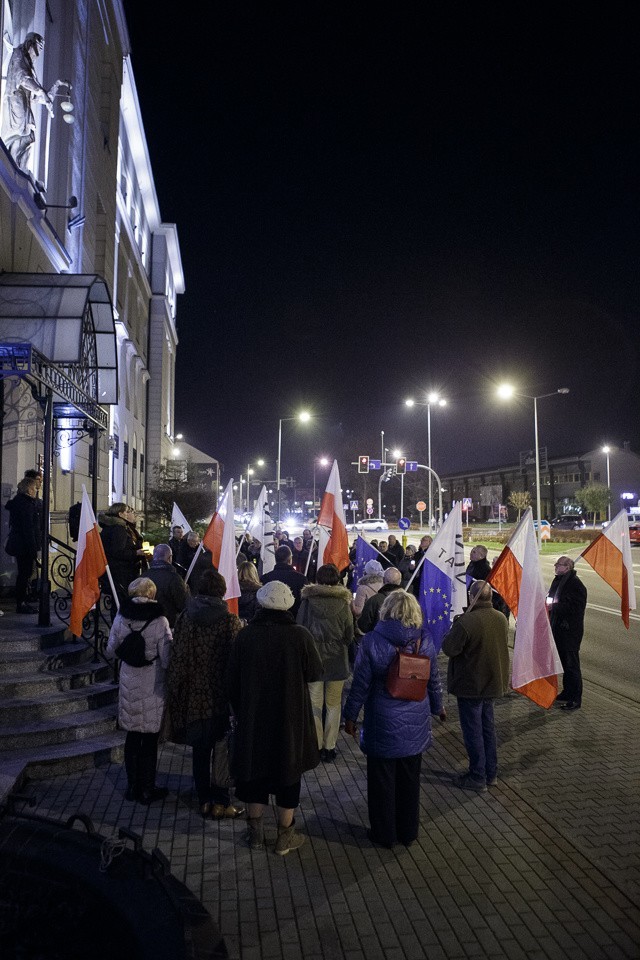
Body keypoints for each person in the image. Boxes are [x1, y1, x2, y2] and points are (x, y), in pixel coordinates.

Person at [227, 581, 323, 855]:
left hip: (253, 717)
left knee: (254, 773)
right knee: (288, 773)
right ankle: (284, 837)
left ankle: (255, 833)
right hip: (290, 718)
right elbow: (315, 672)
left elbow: (231, 681)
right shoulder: (300, 636)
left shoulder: (246, 636)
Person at [343, 590, 445, 848]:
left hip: (382, 721)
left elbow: (360, 685)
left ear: (386, 611)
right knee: (410, 782)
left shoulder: (372, 641)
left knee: (381, 783)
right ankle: (408, 832)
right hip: (415, 721)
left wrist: (351, 716)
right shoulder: (426, 639)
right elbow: (433, 680)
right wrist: (437, 706)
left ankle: (384, 834)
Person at [165, 569, 245, 818]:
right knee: (221, 749)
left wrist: (175, 689)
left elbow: (177, 658)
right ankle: (221, 801)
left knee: (199, 751)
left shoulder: (185, 618)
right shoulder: (229, 621)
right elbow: (234, 661)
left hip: (193, 696)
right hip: (219, 696)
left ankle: (203, 799)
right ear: (221, 591)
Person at [106, 577, 172, 803]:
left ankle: (132, 787)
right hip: (152, 681)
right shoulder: (160, 620)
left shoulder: (121, 616)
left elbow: (111, 649)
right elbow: (166, 658)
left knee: (132, 736)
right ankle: (147, 788)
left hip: (128, 679)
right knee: (150, 740)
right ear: (152, 594)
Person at [442, 580, 510, 791]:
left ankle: (477, 775)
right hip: (491, 682)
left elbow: (450, 649)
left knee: (473, 732)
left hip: (471, 684)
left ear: (472, 597)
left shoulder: (466, 622)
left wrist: (455, 626)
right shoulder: (500, 618)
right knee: (487, 729)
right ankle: (491, 773)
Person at [297, 564, 354, 761]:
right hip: (337, 659)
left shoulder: (307, 601)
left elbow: (300, 629)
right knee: (333, 704)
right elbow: (349, 634)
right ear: (337, 580)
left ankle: (316, 744)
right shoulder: (344, 603)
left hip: (313, 659)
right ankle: (329, 747)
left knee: (314, 704)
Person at [1, 33, 59, 171]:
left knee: (29, 136)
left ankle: (18, 166)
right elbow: (23, 78)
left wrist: (53, 89)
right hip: (15, 100)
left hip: (24, 102)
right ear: (30, 43)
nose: (40, 49)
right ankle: (10, 164)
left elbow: (34, 95)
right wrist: (41, 92)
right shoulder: (18, 54)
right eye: (38, 45)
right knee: (19, 133)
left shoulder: (30, 64)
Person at [546, 556, 587, 711]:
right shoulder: (559, 581)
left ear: (568, 567)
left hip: (570, 632)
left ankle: (575, 699)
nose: (556, 566)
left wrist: (553, 607)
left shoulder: (575, 585)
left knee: (571, 666)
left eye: (560, 564)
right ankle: (567, 692)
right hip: (559, 629)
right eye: (556, 564)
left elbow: (575, 609)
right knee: (564, 664)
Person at [99, 502, 147, 608]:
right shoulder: (118, 529)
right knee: (121, 603)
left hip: (121, 572)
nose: (130, 513)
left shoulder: (121, 527)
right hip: (121, 573)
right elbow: (117, 552)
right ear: (120, 514)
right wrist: (136, 553)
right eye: (127, 511)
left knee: (121, 603)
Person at [4, 477, 40, 613]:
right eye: (35, 488)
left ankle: (22, 600)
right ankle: (21, 602)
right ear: (29, 489)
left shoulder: (19, 502)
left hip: (20, 543)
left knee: (24, 573)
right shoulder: (26, 504)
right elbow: (28, 528)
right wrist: (33, 548)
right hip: (24, 545)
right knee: (25, 573)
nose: (36, 491)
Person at [145, 543, 190, 628]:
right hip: (168, 624)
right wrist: (186, 590)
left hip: (146, 624)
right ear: (169, 558)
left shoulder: (143, 576)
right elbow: (183, 604)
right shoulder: (174, 578)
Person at [260, 545, 308, 617]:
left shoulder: (265, 578)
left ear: (276, 559)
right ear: (290, 560)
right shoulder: (301, 579)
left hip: (270, 619)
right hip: (294, 618)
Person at [466, 545, 511, 619]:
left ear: (481, 556)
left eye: (474, 552)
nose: (471, 553)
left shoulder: (485, 570)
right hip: (470, 599)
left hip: (479, 604)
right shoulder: (472, 564)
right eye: (471, 551)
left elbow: (491, 593)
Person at [357, 566, 403, 634]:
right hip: (399, 642)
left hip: (378, 640)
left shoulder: (375, 600)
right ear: (400, 581)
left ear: (383, 580)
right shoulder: (408, 601)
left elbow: (363, 625)